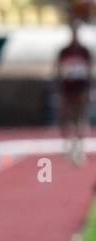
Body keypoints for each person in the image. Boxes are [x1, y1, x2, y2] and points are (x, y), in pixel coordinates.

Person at [57, 18, 92, 165]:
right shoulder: (64, 51)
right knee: (67, 118)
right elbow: (59, 70)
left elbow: (89, 71)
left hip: (81, 89)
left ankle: (79, 148)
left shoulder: (85, 52)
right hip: (67, 89)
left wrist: (89, 89)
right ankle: (68, 147)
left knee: (80, 117)